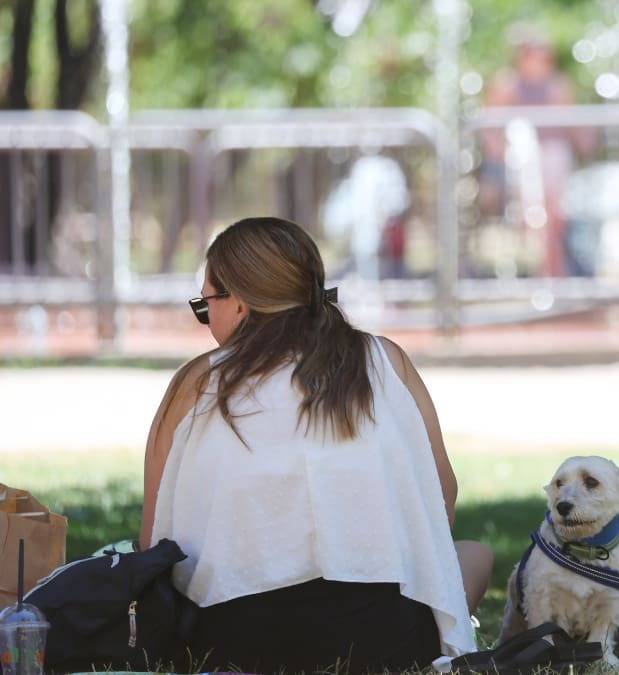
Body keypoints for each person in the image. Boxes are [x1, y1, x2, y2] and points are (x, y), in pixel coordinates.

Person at [139, 217, 493, 673]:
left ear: (241, 305)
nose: (207, 323)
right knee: (475, 556)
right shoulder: (385, 360)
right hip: (383, 641)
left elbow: (154, 545)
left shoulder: (196, 381)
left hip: (231, 645)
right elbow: (442, 501)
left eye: (205, 306)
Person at [481, 26, 593, 277]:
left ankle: (554, 274)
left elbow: (571, 126)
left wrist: (587, 143)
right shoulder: (506, 86)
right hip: (519, 164)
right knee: (529, 222)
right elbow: (491, 130)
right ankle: (539, 275)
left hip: (553, 159)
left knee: (553, 220)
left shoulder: (557, 87)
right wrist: (496, 163)